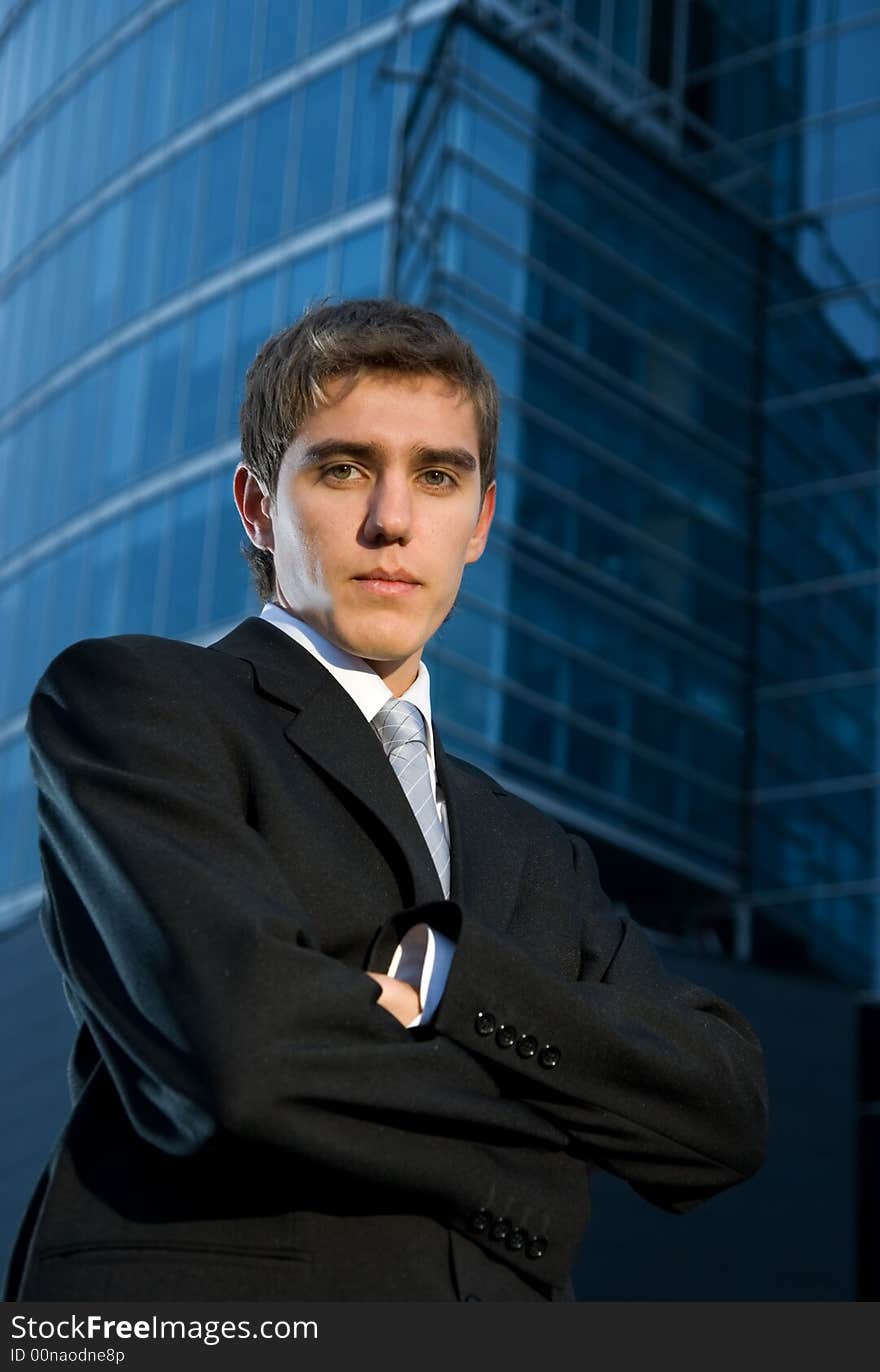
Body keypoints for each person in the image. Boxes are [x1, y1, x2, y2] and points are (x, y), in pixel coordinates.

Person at [6, 298, 767, 1303]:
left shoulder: (536, 849)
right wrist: (542, 1162)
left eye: (438, 476)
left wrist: (453, 980)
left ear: (480, 522)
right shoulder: (139, 705)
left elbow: (721, 1112)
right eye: (342, 467)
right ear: (256, 505)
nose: (392, 520)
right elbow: (247, 1059)